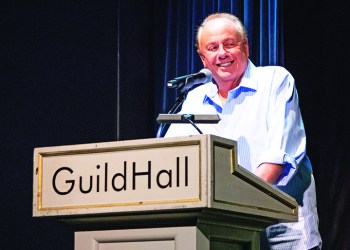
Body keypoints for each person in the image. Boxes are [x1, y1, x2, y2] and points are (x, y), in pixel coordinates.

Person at [164, 13, 322, 250]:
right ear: (203, 58)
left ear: (245, 47)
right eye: (212, 47)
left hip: (281, 230)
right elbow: (172, 158)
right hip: (222, 230)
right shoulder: (195, 97)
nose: (222, 53)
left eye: (229, 44)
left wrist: (236, 208)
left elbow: (277, 159)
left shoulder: (275, 81)